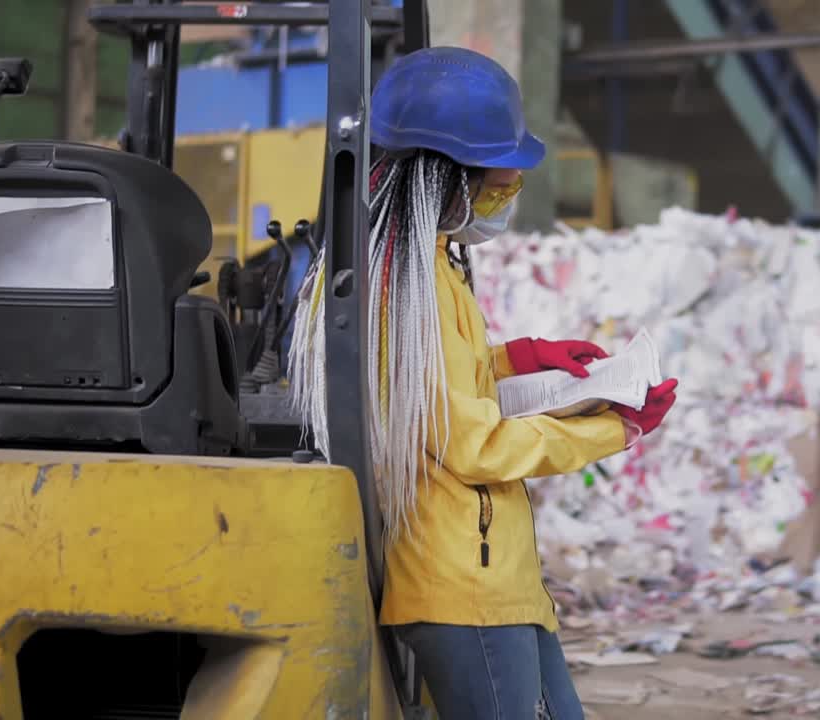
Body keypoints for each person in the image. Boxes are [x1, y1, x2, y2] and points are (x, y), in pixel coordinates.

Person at [289, 46, 679, 719]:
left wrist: (520, 358)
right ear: (448, 179)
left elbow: (437, 379)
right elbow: (474, 446)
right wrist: (611, 429)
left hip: (492, 576)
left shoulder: (427, 268)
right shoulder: (403, 286)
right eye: (500, 181)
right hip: (464, 586)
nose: (511, 191)